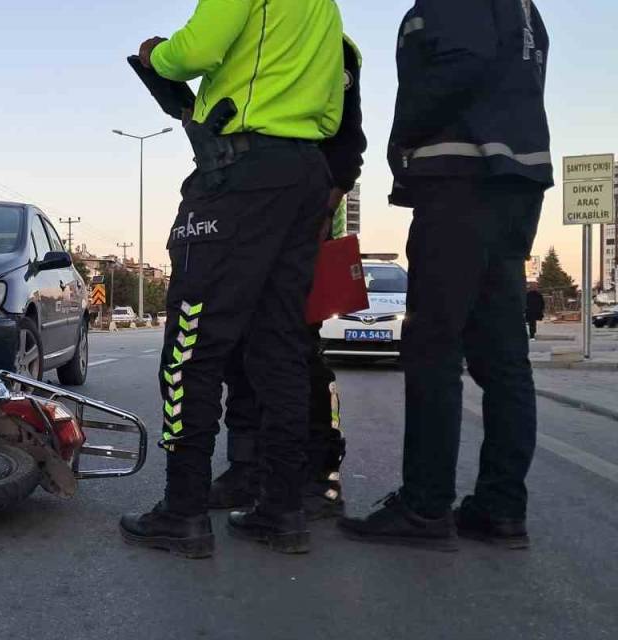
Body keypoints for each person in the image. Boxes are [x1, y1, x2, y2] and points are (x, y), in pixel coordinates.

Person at [120, 0, 345, 558]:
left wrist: (158, 55)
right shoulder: (325, 9)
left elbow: (193, 51)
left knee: (190, 347)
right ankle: (283, 508)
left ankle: (184, 509)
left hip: (240, 173)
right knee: (281, 348)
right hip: (303, 175)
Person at [339, 1, 551, 551]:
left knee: (432, 347)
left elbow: (462, 64)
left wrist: (401, 136)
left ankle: (425, 507)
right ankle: (501, 509)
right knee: (504, 358)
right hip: (513, 184)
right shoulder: (522, 7)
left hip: (461, 181)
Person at [213, 34, 367, 521]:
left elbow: (347, 143)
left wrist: (323, 211)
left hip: (303, 224)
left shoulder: (330, 43)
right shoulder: (247, 33)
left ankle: (319, 475)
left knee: (295, 352)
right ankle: (247, 467)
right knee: (237, 350)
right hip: (243, 218)